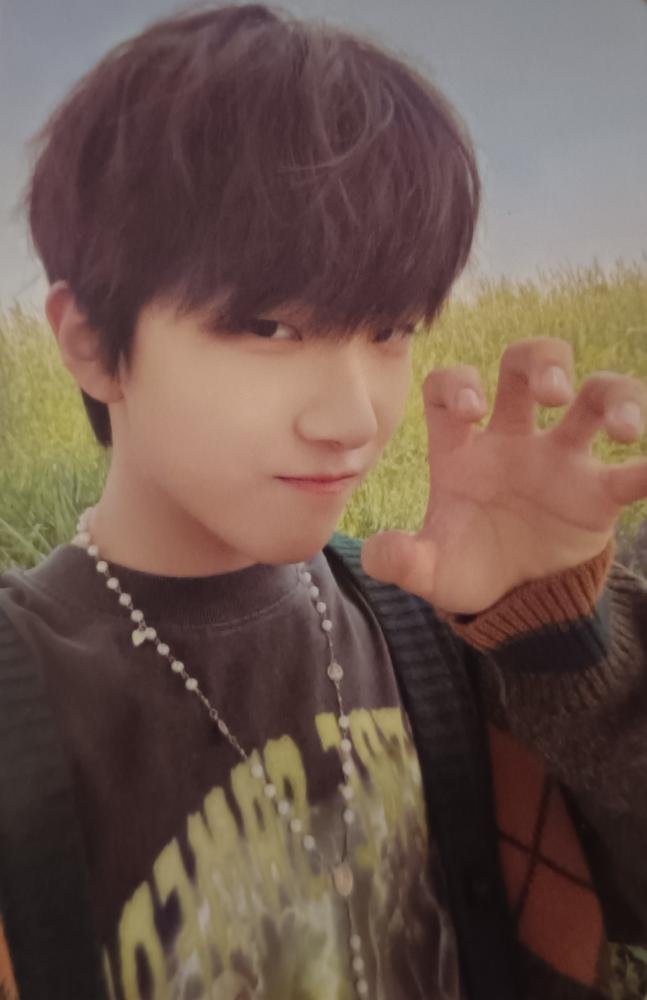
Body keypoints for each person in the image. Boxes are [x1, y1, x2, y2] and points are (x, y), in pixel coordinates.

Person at [1, 4, 646, 999]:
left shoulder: (438, 632)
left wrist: (557, 633)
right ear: (92, 342)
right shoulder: (26, 696)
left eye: (389, 329)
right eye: (269, 327)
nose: (351, 419)